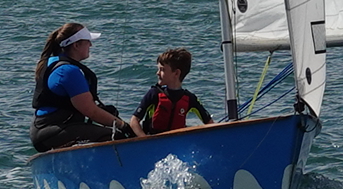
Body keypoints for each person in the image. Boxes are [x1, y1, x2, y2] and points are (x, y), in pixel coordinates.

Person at [30, 22, 140, 152]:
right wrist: (123, 125)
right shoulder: (68, 71)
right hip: (50, 131)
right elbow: (91, 111)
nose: (91, 45)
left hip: (44, 129)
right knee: (116, 136)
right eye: (88, 41)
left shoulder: (52, 62)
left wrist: (104, 112)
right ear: (76, 45)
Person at [138, 48, 215, 135]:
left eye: (162, 69)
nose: (157, 73)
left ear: (176, 73)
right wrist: (145, 139)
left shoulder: (190, 98)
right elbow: (134, 121)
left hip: (177, 140)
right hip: (153, 139)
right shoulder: (154, 94)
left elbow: (210, 124)